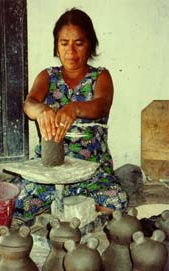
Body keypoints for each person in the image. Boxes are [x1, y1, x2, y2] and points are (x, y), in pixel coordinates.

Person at [13, 8, 129, 221]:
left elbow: (101, 105)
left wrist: (74, 108)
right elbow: (29, 104)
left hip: (91, 169)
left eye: (79, 43)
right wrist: (40, 110)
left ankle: (65, 204)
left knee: (117, 204)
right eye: (64, 43)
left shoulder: (100, 76)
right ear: (56, 46)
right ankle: (63, 204)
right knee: (16, 203)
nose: (71, 51)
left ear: (90, 45)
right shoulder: (48, 76)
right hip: (50, 169)